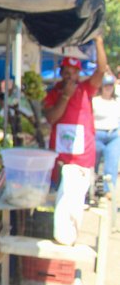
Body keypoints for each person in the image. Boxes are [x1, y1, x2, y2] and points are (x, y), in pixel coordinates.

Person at [43, 34, 108, 183]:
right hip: (60, 155)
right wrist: (65, 96)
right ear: (61, 73)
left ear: (79, 74)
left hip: (82, 156)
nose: (70, 77)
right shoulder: (53, 93)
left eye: (74, 72)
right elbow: (51, 117)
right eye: (67, 72)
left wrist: (99, 41)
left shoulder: (86, 89)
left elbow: (101, 70)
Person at [93, 73, 120, 196]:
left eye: (110, 85)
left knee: (112, 164)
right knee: (93, 164)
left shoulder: (116, 100)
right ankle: (91, 188)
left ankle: (109, 191)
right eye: (106, 85)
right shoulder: (95, 100)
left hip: (113, 134)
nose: (108, 88)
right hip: (98, 134)